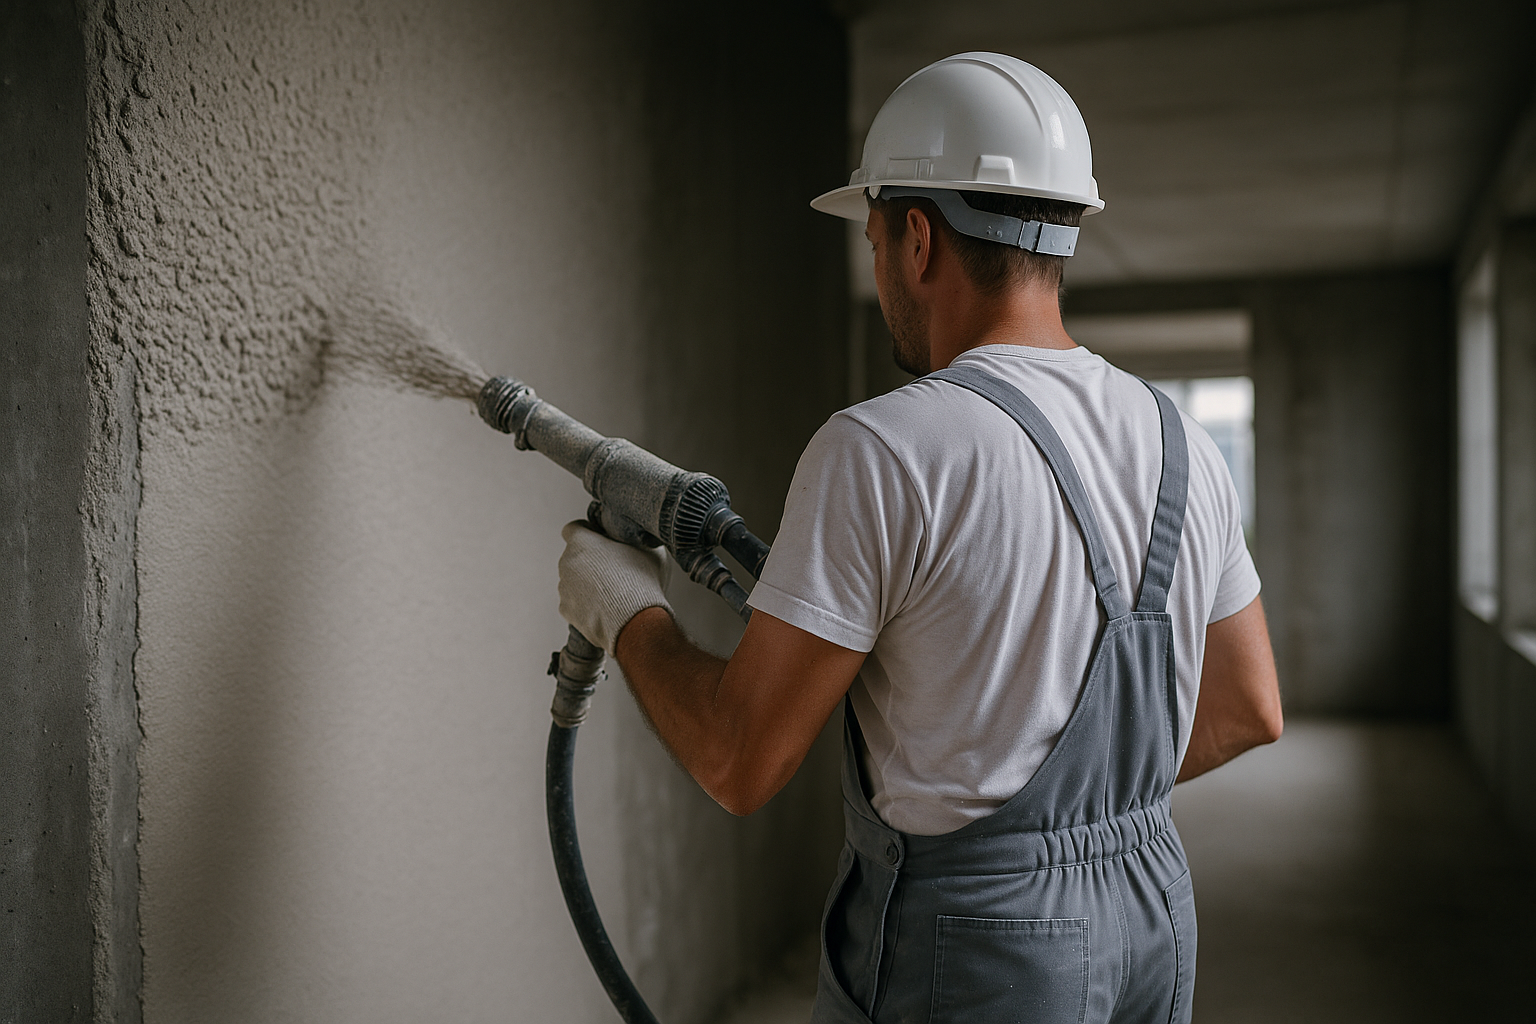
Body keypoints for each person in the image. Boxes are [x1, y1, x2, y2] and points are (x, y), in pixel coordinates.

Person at [555, 52, 1282, 1024]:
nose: (875, 261)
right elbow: (1247, 706)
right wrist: (1073, 807)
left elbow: (738, 759)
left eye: (871, 234)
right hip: (1152, 917)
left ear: (917, 237)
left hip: (986, 946)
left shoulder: (883, 448)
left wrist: (626, 607)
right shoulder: (1180, 439)